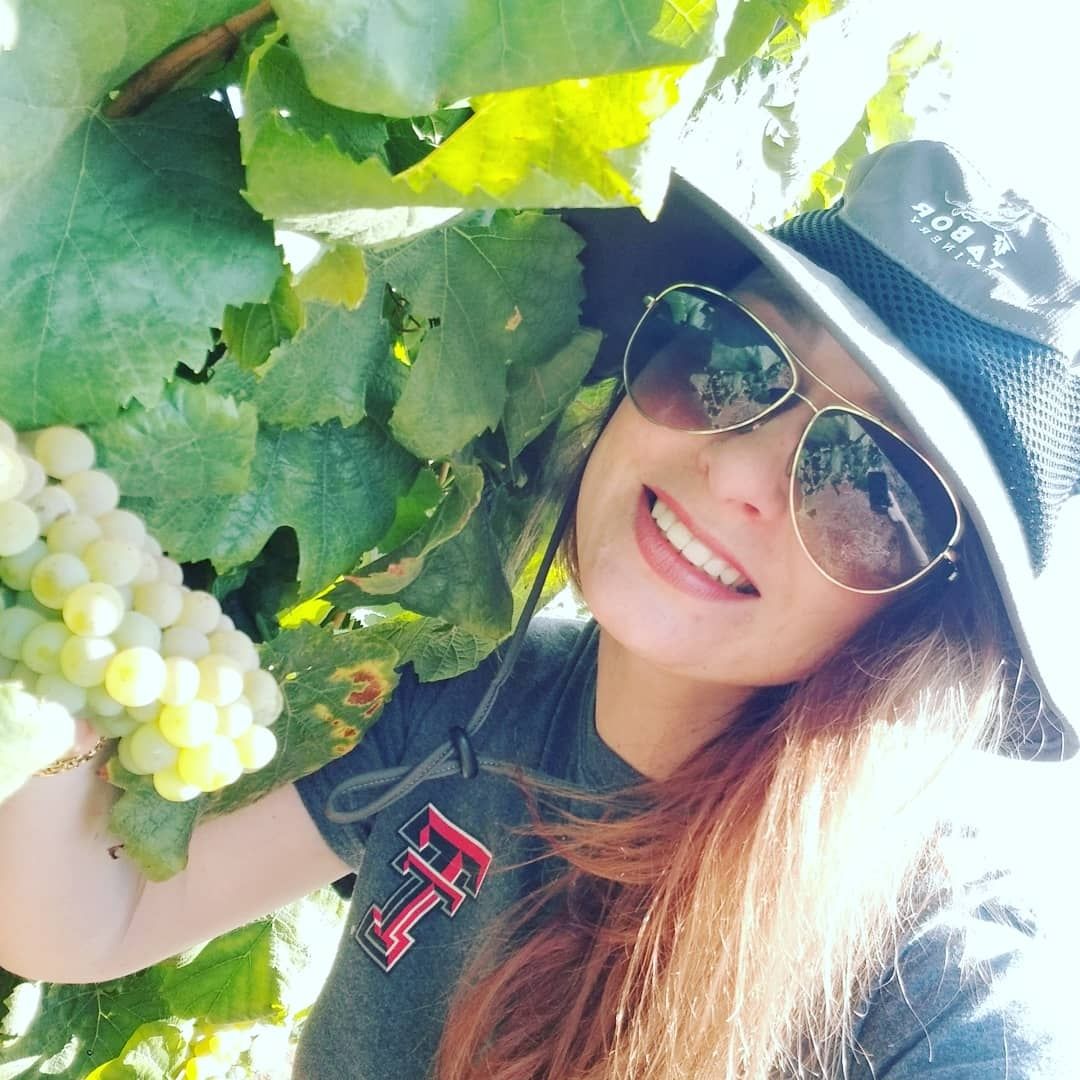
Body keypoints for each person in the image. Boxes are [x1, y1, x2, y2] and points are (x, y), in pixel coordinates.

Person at [1, 139, 1077, 1079]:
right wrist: (64, 662)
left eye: (872, 487)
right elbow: (95, 922)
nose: (742, 472)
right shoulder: (464, 689)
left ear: (925, 620)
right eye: (733, 361)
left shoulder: (936, 979)